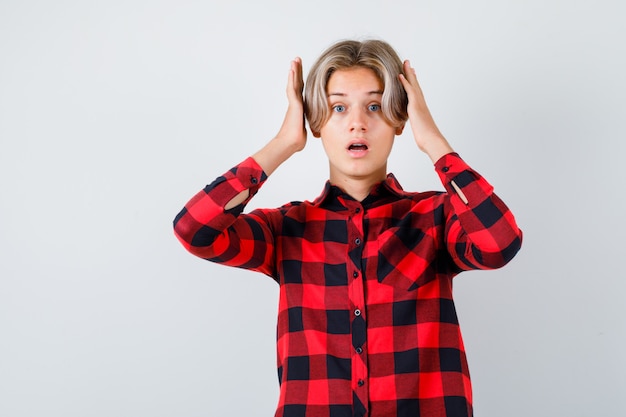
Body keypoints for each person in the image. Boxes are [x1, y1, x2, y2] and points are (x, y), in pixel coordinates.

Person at [173, 39, 522, 417]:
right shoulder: (286, 229)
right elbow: (195, 230)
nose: (358, 122)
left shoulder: (435, 217)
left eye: (374, 106)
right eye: (338, 107)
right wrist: (284, 142)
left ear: (399, 119)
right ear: (318, 122)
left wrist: (435, 143)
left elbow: (500, 244)